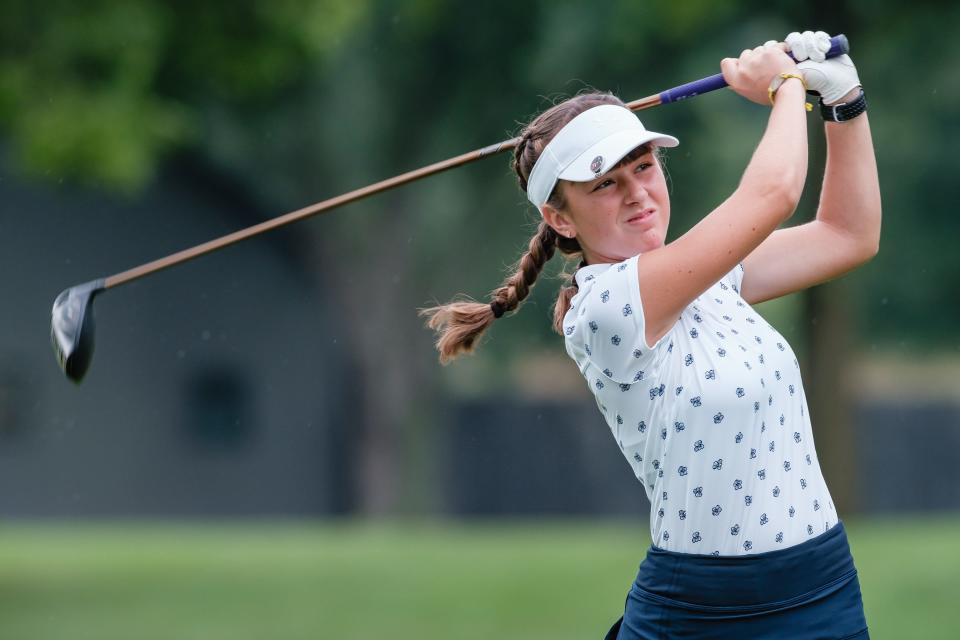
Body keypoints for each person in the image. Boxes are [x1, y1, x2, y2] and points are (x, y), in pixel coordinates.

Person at [422, 30, 879, 639]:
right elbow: (773, 193)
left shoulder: (709, 278)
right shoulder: (606, 306)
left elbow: (849, 234)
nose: (638, 193)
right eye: (605, 184)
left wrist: (844, 103)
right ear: (560, 218)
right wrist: (787, 86)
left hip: (822, 586)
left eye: (644, 167)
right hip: (708, 613)